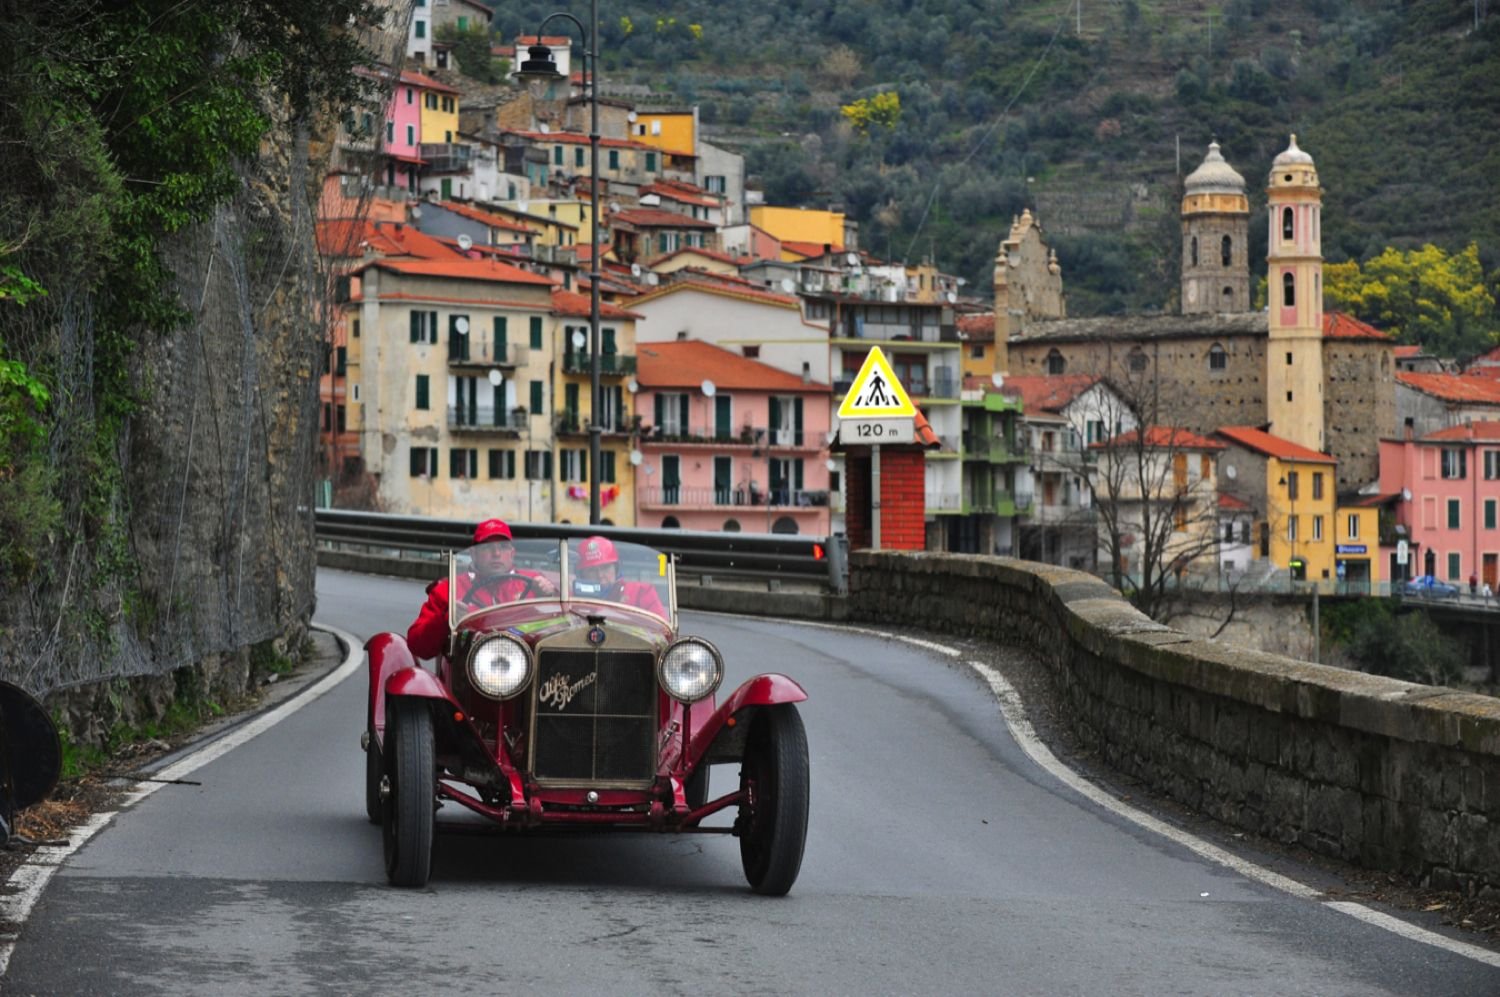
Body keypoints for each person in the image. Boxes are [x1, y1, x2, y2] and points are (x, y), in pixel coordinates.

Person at [406, 519, 555, 659]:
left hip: (527, 667)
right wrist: (447, 619)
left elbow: (568, 624)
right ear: (473, 554)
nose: (496, 554)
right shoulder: (449, 589)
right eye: (487, 547)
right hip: (468, 672)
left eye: (503, 547)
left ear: (512, 553)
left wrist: (552, 595)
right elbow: (418, 646)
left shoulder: (535, 583)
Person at [573, 535, 666, 616]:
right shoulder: (570, 598)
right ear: (581, 575)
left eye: (605, 567)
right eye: (592, 570)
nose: (600, 575)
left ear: (616, 568)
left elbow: (661, 631)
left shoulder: (641, 592)